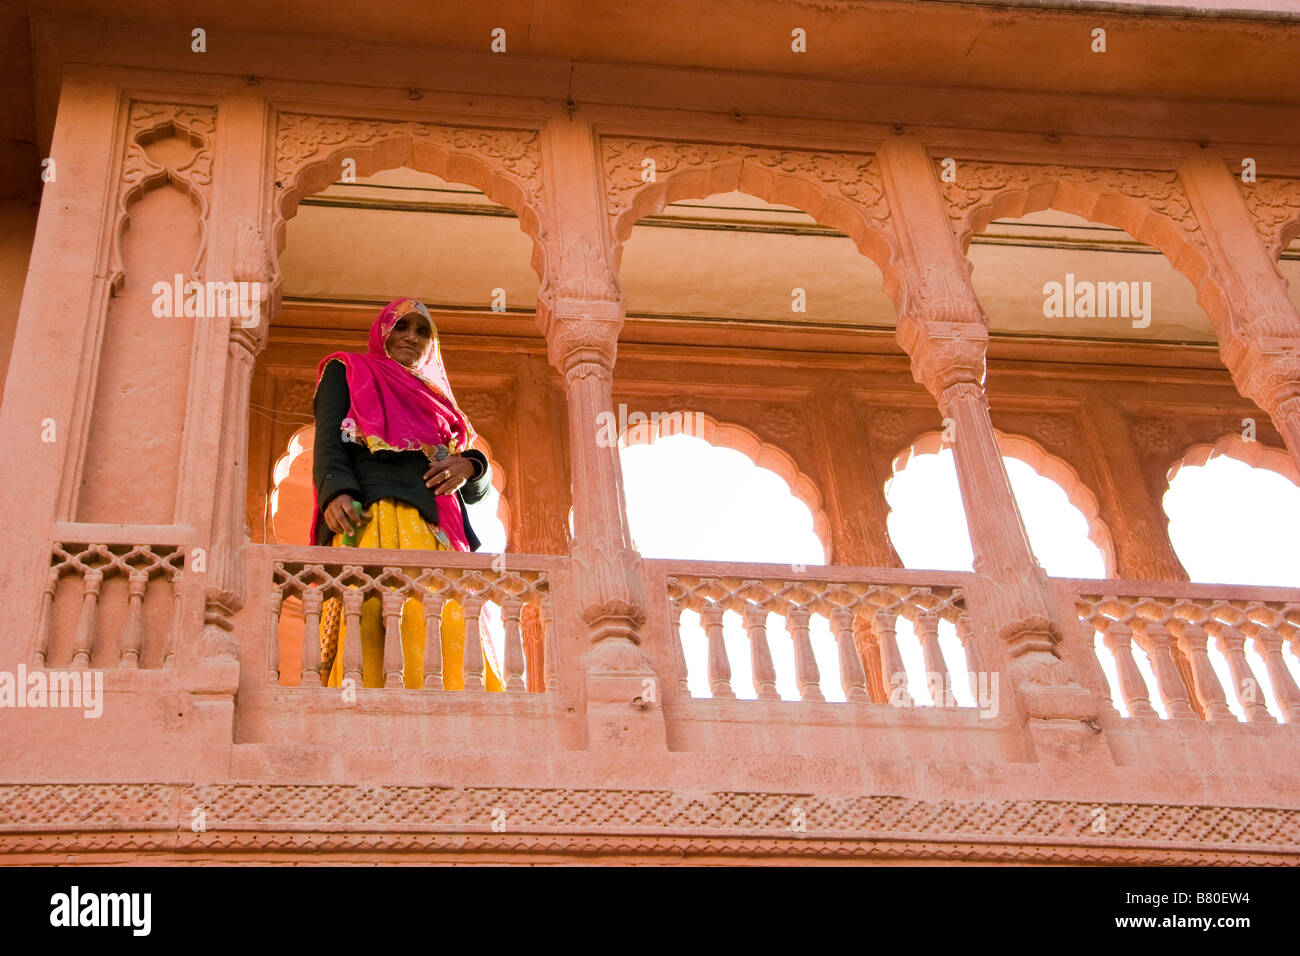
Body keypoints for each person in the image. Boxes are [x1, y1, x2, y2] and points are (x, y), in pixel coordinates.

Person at [310, 297, 504, 690]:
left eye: (421, 331)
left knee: (441, 618)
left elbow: (478, 496)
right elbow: (330, 439)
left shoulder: (442, 406)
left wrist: (471, 465)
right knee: (369, 615)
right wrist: (335, 492)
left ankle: (452, 716)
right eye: (401, 326)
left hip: (441, 526)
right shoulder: (348, 369)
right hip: (373, 513)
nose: (411, 338)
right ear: (382, 331)